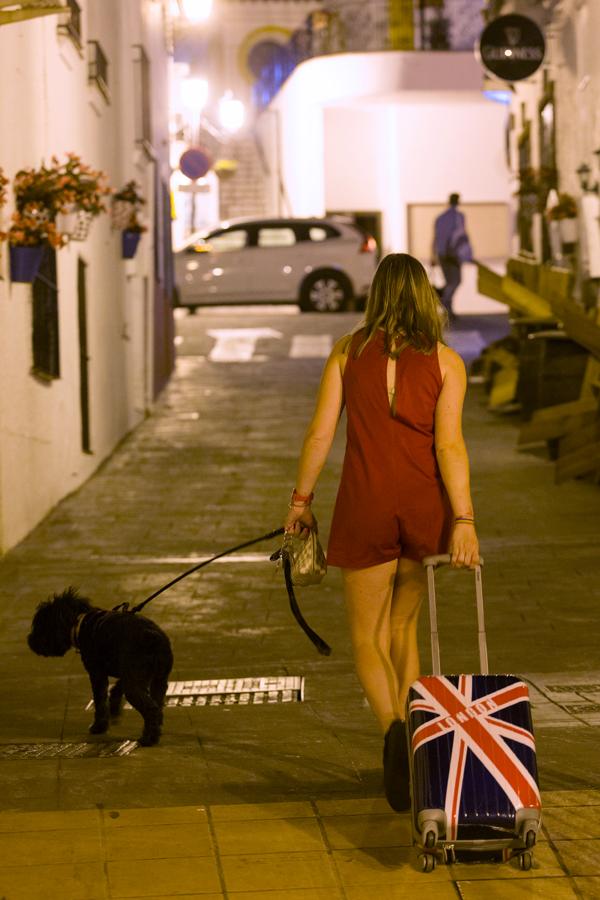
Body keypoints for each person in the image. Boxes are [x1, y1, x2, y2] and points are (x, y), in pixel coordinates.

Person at [283, 253, 479, 812]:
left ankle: (394, 732)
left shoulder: (348, 353)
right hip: (423, 507)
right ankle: (415, 747)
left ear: (376, 295)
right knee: (403, 628)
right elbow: (450, 447)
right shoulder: (445, 362)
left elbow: (321, 434)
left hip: (363, 504)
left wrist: (301, 502)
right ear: (423, 296)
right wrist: (463, 520)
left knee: (366, 636)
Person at [432, 192, 473, 321]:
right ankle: (445, 304)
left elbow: (435, 238)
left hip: (442, 254)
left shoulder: (440, 218)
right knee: (455, 281)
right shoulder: (458, 217)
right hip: (453, 254)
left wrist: (433, 255)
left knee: (450, 282)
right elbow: (459, 236)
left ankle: (448, 310)